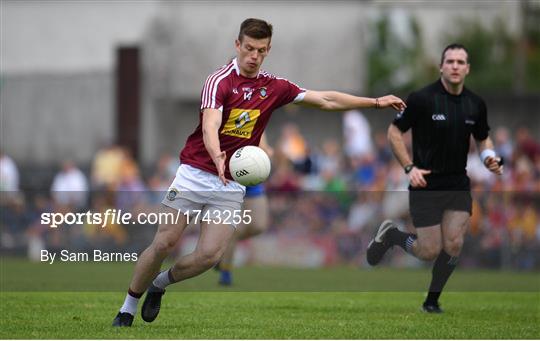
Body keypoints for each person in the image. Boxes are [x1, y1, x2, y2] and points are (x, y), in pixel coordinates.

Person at [112, 18, 406, 327]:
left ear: (268, 50)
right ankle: (127, 308)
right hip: (195, 173)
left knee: (210, 255)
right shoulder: (219, 81)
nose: (254, 55)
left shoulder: (273, 86)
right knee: (164, 243)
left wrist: (375, 102)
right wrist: (217, 156)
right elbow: (211, 126)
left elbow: (325, 99)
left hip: (231, 182)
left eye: (261, 50)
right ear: (238, 45)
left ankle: (159, 284)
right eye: (249, 48)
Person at [366, 43, 503, 313]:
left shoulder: (475, 104)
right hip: (424, 183)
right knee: (428, 251)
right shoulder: (422, 99)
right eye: (450, 61)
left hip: (456, 184)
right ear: (441, 66)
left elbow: (483, 137)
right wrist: (408, 167)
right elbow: (394, 133)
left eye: (460, 62)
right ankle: (392, 236)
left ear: (467, 69)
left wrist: (489, 157)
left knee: (454, 243)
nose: (455, 66)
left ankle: (431, 301)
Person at [216, 133, 273, 286]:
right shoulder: (222, 113)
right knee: (233, 228)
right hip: (226, 173)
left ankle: (218, 248)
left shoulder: (257, 113)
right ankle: (225, 271)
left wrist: (265, 153)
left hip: (251, 173)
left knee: (259, 225)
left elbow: (262, 145)